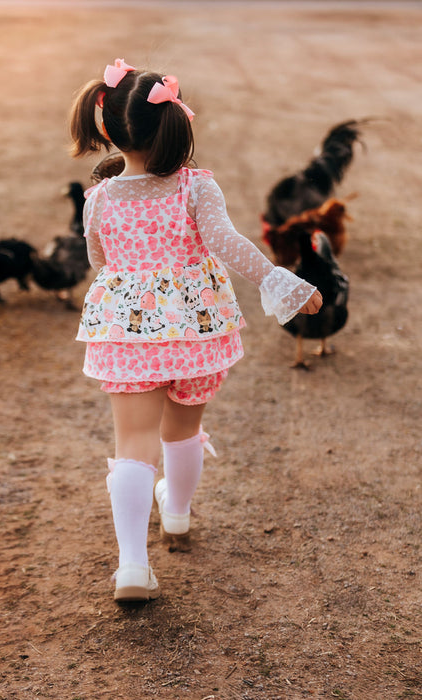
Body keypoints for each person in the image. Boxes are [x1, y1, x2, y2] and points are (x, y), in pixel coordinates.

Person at [69, 58, 322, 603]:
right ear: (176, 127)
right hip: (196, 329)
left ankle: (133, 566)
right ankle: (177, 514)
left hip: (127, 334)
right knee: (181, 432)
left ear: (108, 130)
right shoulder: (196, 188)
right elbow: (230, 246)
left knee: (132, 445)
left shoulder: (99, 200)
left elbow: (98, 258)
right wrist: (288, 284)